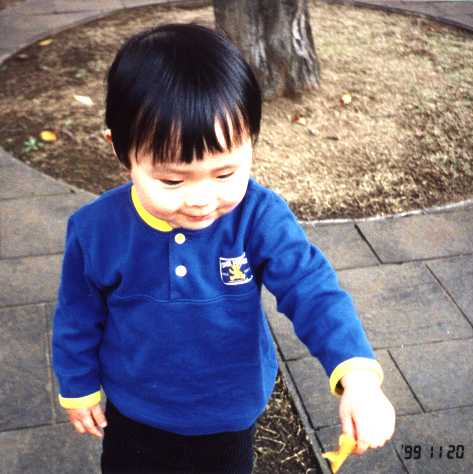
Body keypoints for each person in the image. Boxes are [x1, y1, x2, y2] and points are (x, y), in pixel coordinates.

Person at [52, 23, 395, 473]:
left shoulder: (259, 217)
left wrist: (358, 376)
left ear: (251, 142)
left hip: (228, 414)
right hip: (134, 410)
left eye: (225, 174)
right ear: (121, 150)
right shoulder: (95, 229)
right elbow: (77, 315)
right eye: (172, 179)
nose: (200, 199)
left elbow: (312, 289)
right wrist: (78, 386)